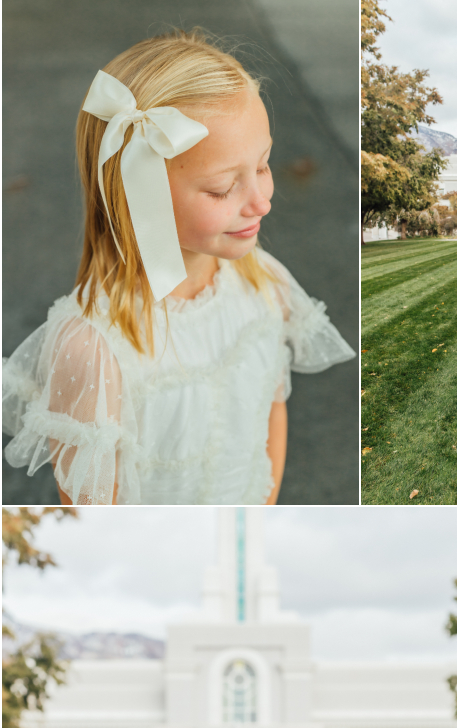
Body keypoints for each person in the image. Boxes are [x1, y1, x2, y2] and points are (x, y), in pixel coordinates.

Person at [2, 31, 353, 505]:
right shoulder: (96, 349)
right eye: (222, 188)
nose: (262, 201)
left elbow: (271, 410)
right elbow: (96, 515)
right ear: (135, 195)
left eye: (265, 165)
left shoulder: (261, 282)